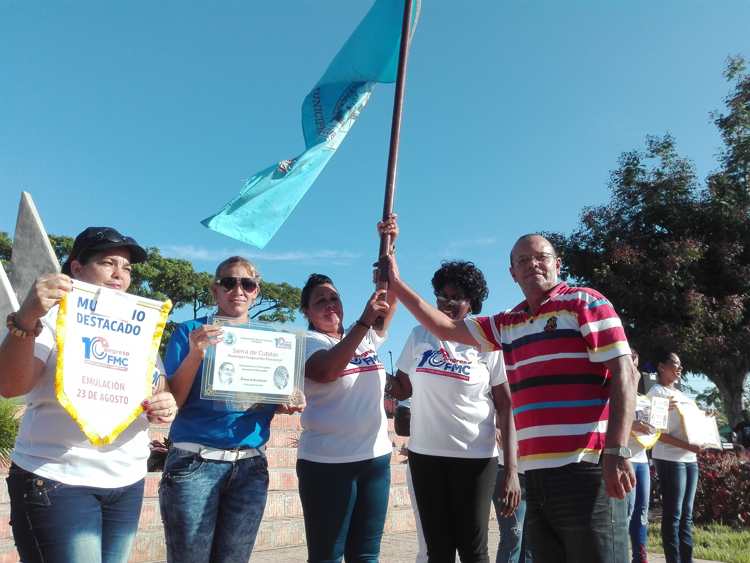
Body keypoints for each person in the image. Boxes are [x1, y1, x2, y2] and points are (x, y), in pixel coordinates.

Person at [385, 232, 637, 563]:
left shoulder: (585, 303)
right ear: (512, 273)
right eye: (522, 260)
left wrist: (617, 451)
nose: (532, 264)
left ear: (557, 264)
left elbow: (625, 374)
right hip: (537, 478)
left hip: (585, 471)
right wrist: (395, 283)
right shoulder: (507, 324)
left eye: (541, 257)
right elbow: (445, 328)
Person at [0, 226, 177, 563]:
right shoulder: (52, 316)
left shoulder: (139, 327)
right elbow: (10, 386)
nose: (119, 274)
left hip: (127, 480)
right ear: (77, 268)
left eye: (126, 268)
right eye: (108, 263)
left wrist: (164, 405)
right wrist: (27, 316)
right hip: (58, 477)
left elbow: (158, 389)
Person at [159, 256, 301, 563]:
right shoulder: (190, 331)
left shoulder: (273, 342)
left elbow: (264, 401)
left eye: (247, 284)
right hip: (194, 462)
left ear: (256, 292)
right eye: (229, 282)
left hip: (249, 466)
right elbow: (175, 401)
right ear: (215, 289)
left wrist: (287, 399)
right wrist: (196, 353)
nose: (238, 289)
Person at [388, 260, 519, 563]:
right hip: (425, 457)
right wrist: (374, 369)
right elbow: (403, 388)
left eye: (455, 296)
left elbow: (505, 404)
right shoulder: (419, 335)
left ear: (471, 302)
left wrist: (510, 470)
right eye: (441, 296)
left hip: (475, 460)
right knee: (438, 550)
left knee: (473, 550)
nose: (446, 303)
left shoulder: (487, 342)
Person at [296, 220, 398, 563]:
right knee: (327, 556)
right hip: (327, 464)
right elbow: (326, 371)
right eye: (320, 301)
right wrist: (363, 322)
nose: (330, 305)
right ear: (306, 312)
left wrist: (390, 251)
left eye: (334, 298)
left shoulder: (364, 336)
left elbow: (389, 300)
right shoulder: (307, 342)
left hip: (374, 460)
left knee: (366, 554)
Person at [647, 350, 703, 563]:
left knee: (687, 516)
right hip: (670, 459)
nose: (680, 368)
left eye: (681, 365)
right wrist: (687, 445)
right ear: (661, 366)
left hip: (690, 459)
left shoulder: (682, 395)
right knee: (674, 515)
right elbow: (657, 433)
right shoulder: (657, 393)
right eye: (675, 364)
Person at [626, 349, 652, 563]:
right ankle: (618, 555)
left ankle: (640, 556)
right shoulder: (612, 397)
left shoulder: (645, 400)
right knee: (625, 512)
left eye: (635, 364)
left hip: (642, 459)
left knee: (642, 512)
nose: (633, 369)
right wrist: (631, 425)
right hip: (623, 459)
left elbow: (656, 429)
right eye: (629, 363)